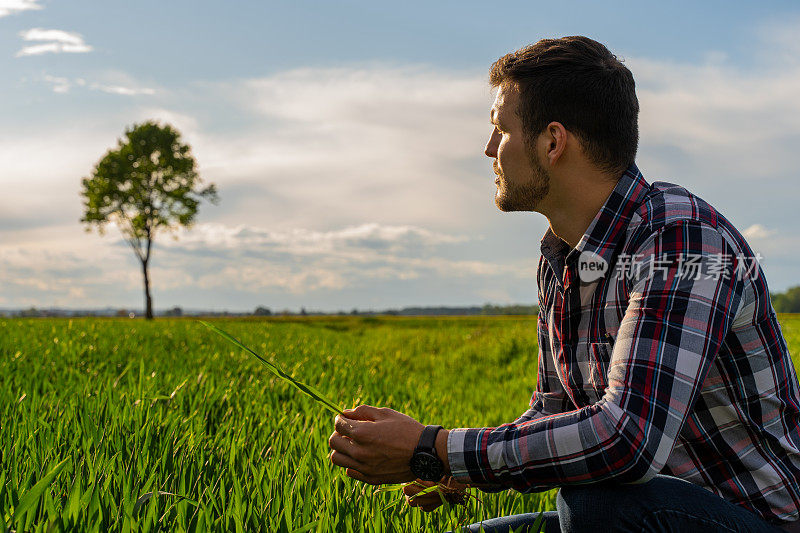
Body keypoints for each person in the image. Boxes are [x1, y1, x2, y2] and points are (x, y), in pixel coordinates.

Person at [328, 36, 800, 532]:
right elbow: (553, 409)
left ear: (553, 142)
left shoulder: (682, 239)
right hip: (655, 510)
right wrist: (452, 467)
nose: (489, 149)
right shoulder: (560, 256)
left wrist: (436, 446)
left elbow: (626, 441)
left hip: (759, 520)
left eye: (500, 130)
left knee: (594, 502)